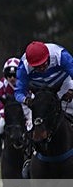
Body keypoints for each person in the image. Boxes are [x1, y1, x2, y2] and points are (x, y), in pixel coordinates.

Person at [14, 41, 73, 177]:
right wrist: (27, 100)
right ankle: (28, 159)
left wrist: (72, 90)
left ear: (48, 56)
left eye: (43, 63)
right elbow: (18, 92)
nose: (41, 68)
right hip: (39, 91)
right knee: (32, 125)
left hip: (63, 84)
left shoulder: (60, 55)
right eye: (37, 66)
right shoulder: (24, 66)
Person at [0, 57, 20, 176]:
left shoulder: (25, 83)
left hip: (24, 114)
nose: (12, 78)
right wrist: (5, 115)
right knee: (0, 127)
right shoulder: (1, 85)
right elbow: (0, 104)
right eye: (9, 75)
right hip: (9, 115)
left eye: (14, 75)